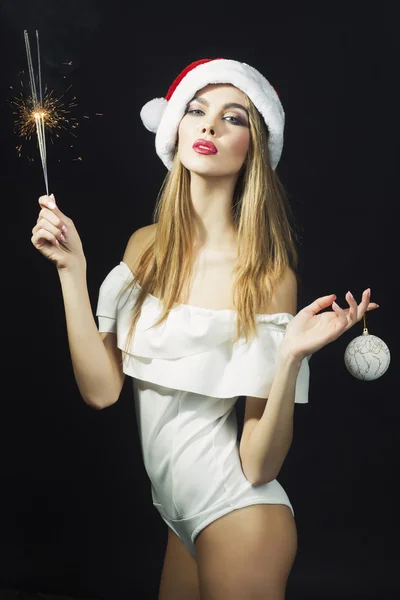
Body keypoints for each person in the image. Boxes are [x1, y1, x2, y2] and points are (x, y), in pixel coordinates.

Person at [31, 58, 379, 600]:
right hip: (176, 516)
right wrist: (71, 272)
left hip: (238, 513)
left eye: (233, 117)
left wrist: (288, 358)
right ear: (175, 129)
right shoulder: (143, 246)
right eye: (196, 110)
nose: (210, 126)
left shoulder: (267, 276)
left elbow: (259, 465)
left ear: (254, 147)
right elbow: (101, 391)